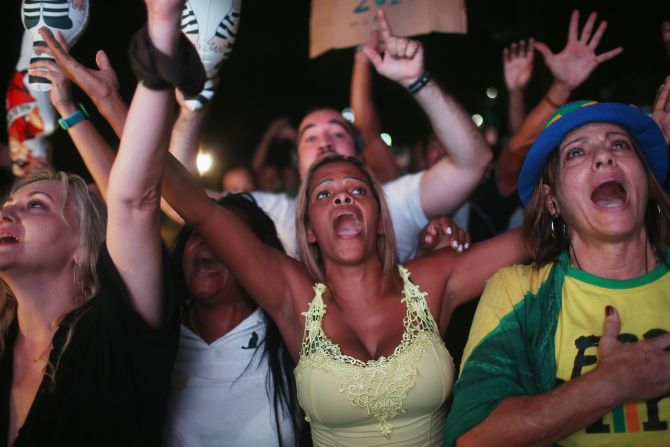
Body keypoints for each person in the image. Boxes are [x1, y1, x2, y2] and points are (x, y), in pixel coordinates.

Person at [161, 140, 528, 445]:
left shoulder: (429, 281)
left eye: (357, 189)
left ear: (381, 220)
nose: (342, 198)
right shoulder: (296, 297)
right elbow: (201, 212)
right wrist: (116, 104)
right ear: (308, 230)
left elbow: (532, 239)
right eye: (324, 193)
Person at [0, 0, 194, 444]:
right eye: (9, 205)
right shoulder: (4, 340)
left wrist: (162, 27)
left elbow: (133, 200)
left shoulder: (116, 335)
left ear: (85, 245)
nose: (6, 212)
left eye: (35, 206)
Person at [444, 95, 670, 446]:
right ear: (552, 201)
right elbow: (472, 438)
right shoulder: (519, 291)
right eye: (577, 152)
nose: (604, 156)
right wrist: (610, 384)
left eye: (620, 145)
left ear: (646, 178)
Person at [164, 193, 305, 447]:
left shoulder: (290, 334)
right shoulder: (159, 337)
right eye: (196, 233)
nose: (207, 242)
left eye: (225, 238)